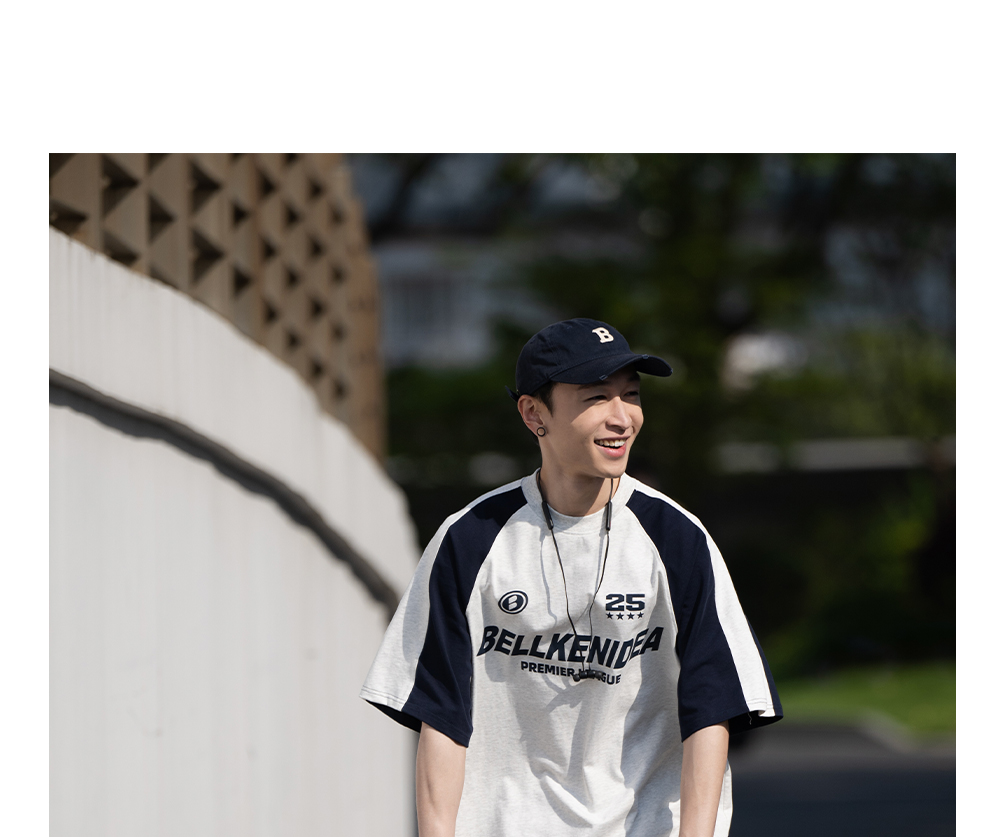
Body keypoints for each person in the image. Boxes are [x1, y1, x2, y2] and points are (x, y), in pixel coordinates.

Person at [360, 318, 782, 837]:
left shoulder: (678, 538)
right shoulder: (469, 540)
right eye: (597, 398)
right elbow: (440, 714)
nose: (622, 417)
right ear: (534, 413)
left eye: (631, 395)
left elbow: (712, 705)